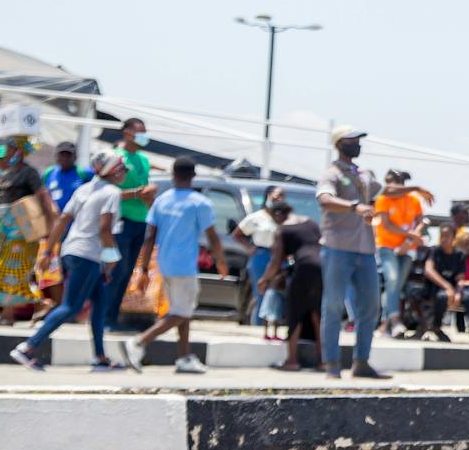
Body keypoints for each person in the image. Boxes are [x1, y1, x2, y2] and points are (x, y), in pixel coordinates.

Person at [11, 151, 126, 370]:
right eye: (123, 168)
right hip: (88, 254)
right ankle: (28, 347)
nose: (124, 173)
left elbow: (63, 220)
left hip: (72, 250)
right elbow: (105, 229)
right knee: (70, 307)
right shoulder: (112, 192)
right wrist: (112, 258)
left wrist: (48, 253)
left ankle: (100, 357)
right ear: (114, 170)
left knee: (100, 305)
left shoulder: (84, 189)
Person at [117, 157, 225, 373]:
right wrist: (221, 262)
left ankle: (184, 357)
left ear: (173, 175)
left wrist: (145, 268)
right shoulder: (199, 202)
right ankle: (139, 342)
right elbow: (212, 236)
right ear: (193, 176)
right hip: (185, 265)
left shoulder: (162, 200)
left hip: (164, 264)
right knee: (182, 313)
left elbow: (150, 236)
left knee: (180, 310)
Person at [316, 126, 387, 380]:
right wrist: (355, 207)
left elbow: (385, 190)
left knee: (370, 306)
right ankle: (332, 364)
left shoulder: (362, 174)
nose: (357, 144)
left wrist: (415, 189)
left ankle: (361, 362)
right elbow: (324, 199)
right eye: (352, 140)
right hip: (338, 248)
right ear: (339, 143)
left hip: (365, 249)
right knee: (333, 306)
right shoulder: (332, 174)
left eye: (358, 140)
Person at [98, 117, 157, 331]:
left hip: (140, 222)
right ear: (126, 132)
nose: (143, 135)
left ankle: (113, 318)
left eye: (144, 131)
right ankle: (103, 318)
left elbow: (145, 191)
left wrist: (149, 199)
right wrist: (136, 194)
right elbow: (108, 192)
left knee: (127, 272)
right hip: (119, 221)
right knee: (117, 270)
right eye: (139, 131)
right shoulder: (116, 156)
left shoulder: (143, 160)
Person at [0, 136, 55, 322]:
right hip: (6, 230)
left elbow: (43, 198)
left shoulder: (29, 173)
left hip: (23, 232)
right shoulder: (7, 173)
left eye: (10, 149)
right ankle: (10, 313)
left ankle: (39, 303)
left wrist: (51, 227)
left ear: (19, 151)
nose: (7, 152)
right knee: (2, 273)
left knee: (13, 272)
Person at [261, 203, 323, 370]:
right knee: (318, 314)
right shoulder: (311, 222)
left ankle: (292, 361)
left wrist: (264, 279)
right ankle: (323, 361)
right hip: (323, 267)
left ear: (279, 214)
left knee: (295, 313)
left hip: (302, 268)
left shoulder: (283, 230)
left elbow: (275, 261)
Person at [373, 169, 427, 335]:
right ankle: (395, 321)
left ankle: (385, 324)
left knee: (395, 286)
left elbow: (421, 222)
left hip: (407, 249)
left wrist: (410, 240)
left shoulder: (413, 199)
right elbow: (387, 225)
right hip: (387, 246)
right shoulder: (383, 199)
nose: (389, 185)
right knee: (393, 280)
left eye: (392, 182)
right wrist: (410, 235)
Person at [232, 186, 287, 334]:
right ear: (268, 196)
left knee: (276, 295)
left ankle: (274, 331)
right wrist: (249, 248)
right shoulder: (257, 217)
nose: (279, 199)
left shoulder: (284, 218)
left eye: (282, 196)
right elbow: (237, 234)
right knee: (261, 294)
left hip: (279, 257)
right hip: (261, 256)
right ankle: (258, 331)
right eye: (277, 196)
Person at [41, 142, 90, 211]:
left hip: (75, 220)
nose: (65, 158)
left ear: (75, 157)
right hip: (53, 218)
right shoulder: (49, 173)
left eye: (68, 155)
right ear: (56, 156)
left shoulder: (83, 173)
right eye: (62, 154)